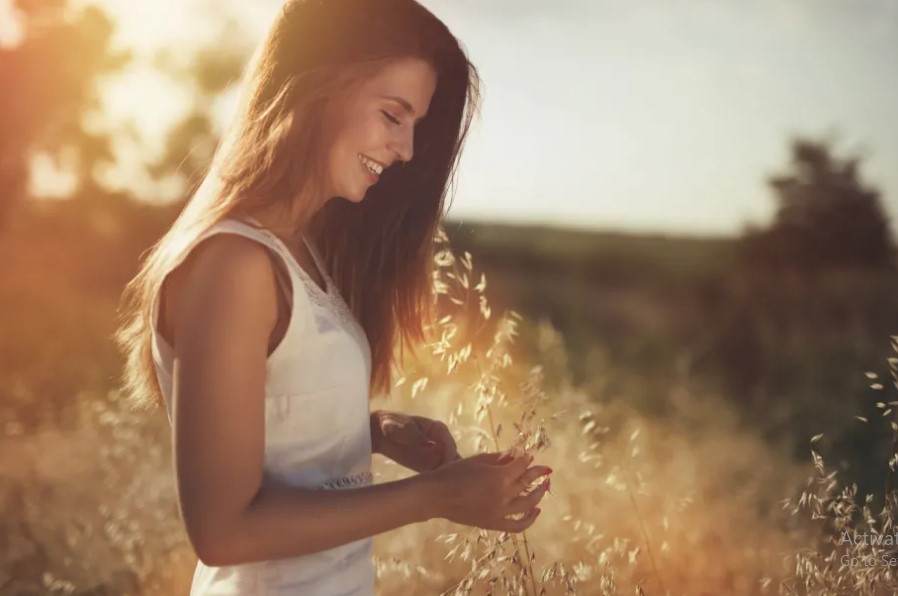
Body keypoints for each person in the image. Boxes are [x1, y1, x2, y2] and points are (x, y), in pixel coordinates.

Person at [114, 0, 552, 593]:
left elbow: (270, 426)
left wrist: (369, 433)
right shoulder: (235, 265)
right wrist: (435, 496)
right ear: (315, 88)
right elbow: (223, 531)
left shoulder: (302, 252)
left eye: (415, 125)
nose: (407, 150)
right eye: (393, 115)